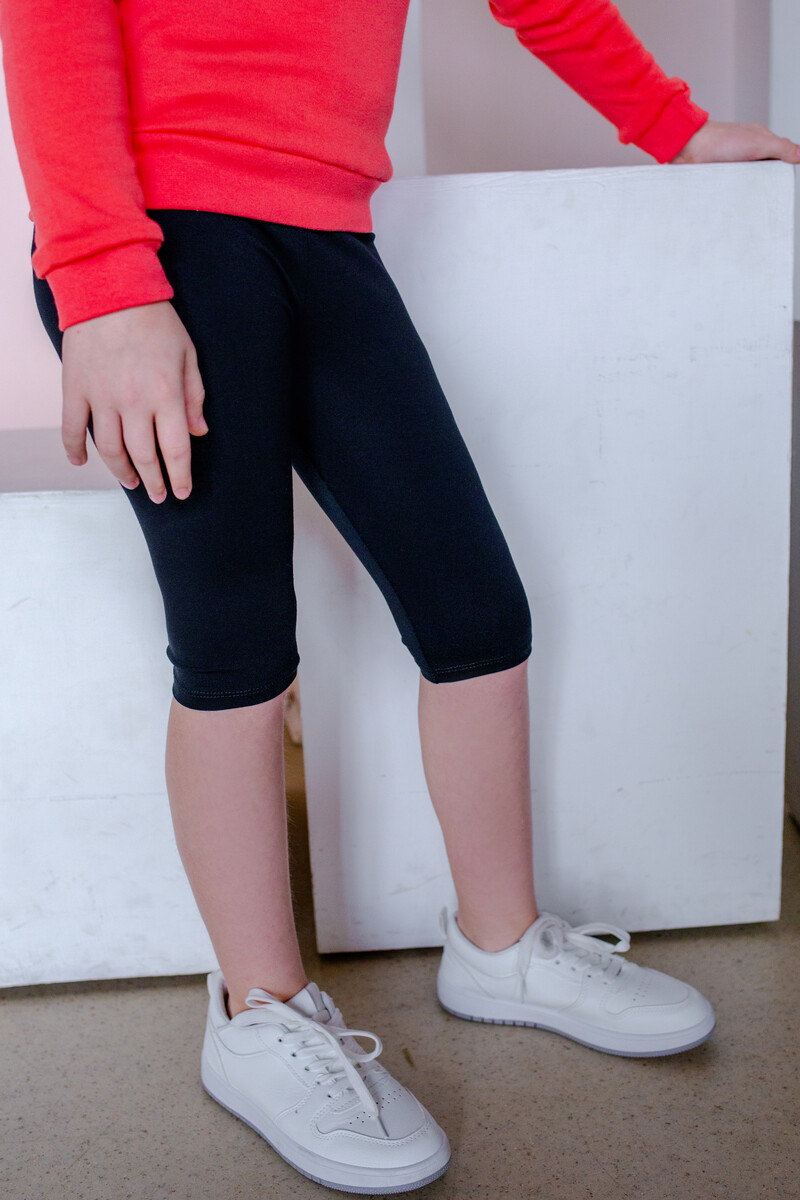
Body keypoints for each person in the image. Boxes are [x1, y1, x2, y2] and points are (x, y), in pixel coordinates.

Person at [1, 0, 797, 1193]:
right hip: (164, 240)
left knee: (476, 616)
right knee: (235, 653)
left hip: (327, 232)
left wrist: (674, 129)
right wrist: (104, 278)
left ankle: (498, 947)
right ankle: (260, 1015)